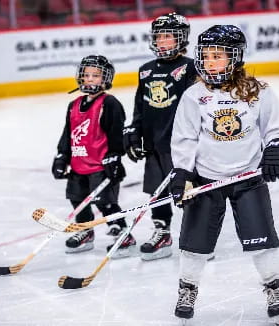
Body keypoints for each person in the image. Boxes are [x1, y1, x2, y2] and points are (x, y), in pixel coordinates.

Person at [169, 25, 279, 325]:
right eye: (205, 56)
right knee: (193, 241)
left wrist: (275, 149)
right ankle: (187, 287)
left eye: (217, 56)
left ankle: (276, 287)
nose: (209, 62)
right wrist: (182, 173)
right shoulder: (193, 96)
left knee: (261, 238)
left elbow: (276, 127)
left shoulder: (257, 92)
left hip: (248, 179)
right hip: (205, 180)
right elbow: (184, 138)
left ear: (235, 58)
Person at [122, 12, 197, 261]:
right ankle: (162, 233)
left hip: (183, 147)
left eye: (169, 36)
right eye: (159, 36)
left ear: (182, 39)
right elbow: (140, 108)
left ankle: (196, 238)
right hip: (155, 145)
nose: (163, 41)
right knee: (157, 193)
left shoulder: (189, 67)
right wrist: (133, 132)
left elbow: (197, 106)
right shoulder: (145, 71)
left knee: (189, 192)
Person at [52, 55, 135, 257]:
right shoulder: (74, 105)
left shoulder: (109, 103)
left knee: (105, 202)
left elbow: (117, 133)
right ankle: (85, 231)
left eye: (95, 76)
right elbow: (67, 134)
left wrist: (115, 156)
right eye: (86, 75)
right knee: (77, 199)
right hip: (78, 165)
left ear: (105, 79)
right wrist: (62, 156)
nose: (90, 79)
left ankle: (123, 234)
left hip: (100, 165)